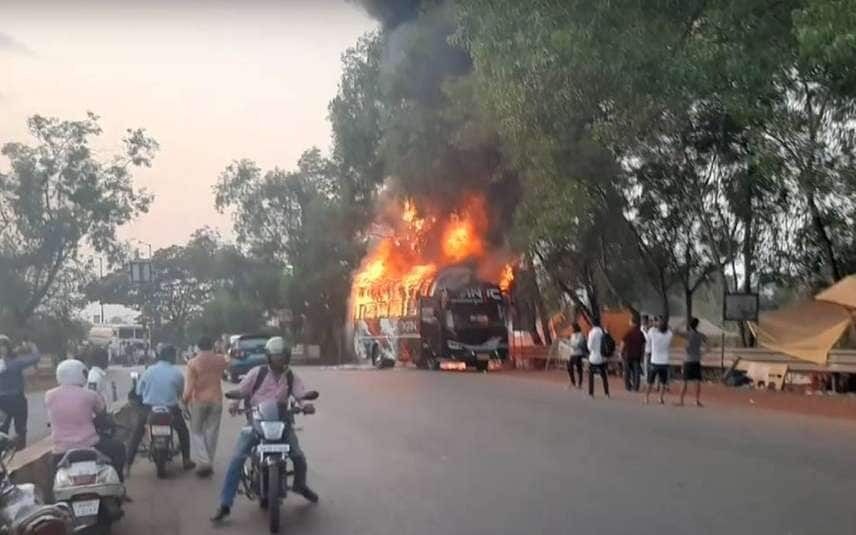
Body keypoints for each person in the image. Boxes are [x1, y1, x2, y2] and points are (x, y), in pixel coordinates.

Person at [212, 336, 318, 523]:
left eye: (283, 356)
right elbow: (241, 390)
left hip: (282, 422)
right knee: (237, 459)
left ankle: (300, 486)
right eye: (276, 356)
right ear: (269, 357)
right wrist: (234, 403)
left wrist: (306, 404)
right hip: (257, 421)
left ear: (287, 357)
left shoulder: (291, 376)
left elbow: (301, 394)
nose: (280, 360)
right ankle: (225, 505)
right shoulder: (257, 373)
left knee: (298, 457)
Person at [45, 359, 126, 482]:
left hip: (60, 450)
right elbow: (102, 414)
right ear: (80, 374)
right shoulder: (90, 395)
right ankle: (119, 484)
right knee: (119, 448)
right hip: (90, 444)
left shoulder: (49, 395)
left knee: (52, 478)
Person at [126, 345, 195, 471]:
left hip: (149, 409)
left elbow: (138, 391)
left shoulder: (149, 371)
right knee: (183, 431)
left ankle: (128, 464)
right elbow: (180, 393)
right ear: (171, 357)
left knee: (137, 432)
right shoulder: (177, 373)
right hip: (170, 409)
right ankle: (186, 460)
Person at [183, 335, 229, 478]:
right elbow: (229, 361)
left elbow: (189, 387)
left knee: (196, 431)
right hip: (216, 399)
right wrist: (222, 349)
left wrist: (185, 400)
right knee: (212, 432)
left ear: (198, 346)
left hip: (199, 401)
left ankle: (204, 462)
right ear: (212, 346)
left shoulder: (193, 363)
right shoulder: (220, 360)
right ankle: (208, 462)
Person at [0, 335, 41, 449]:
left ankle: (2, 457)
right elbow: (36, 357)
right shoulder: (16, 362)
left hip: (2, 402)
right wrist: (32, 346)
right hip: (17, 400)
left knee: (2, 430)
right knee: (21, 430)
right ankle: (21, 456)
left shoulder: (13, 362)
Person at [678, 317, 707, 407]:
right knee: (697, 381)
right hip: (696, 360)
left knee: (684, 381)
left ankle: (681, 401)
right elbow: (709, 345)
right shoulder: (701, 335)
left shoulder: (688, 334)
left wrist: (682, 322)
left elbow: (674, 331)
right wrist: (702, 353)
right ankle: (697, 400)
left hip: (688, 360)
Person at [645, 317, 673, 405]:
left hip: (654, 361)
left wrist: (655, 324)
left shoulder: (653, 333)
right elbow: (670, 329)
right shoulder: (669, 335)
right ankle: (660, 398)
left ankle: (646, 398)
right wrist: (664, 324)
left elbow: (648, 329)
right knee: (663, 382)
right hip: (664, 362)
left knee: (650, 382)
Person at [621, 313, 645, 392]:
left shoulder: (628, 332)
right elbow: (643, 344)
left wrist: (621, 352)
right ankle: (636, 387)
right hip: (637, 355)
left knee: (627, 372)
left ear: (632, 322)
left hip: (628, 355)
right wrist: (642, 354)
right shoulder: (640, 333)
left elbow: (623, 343)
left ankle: (628, 386)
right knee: (636, 372)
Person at [586, 318, 609, 398]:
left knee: (591, 375)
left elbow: (589, 347)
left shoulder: (592, 332)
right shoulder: (603, 331)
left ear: (592, 323)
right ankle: (606, 393)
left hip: (594, 357)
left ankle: (591, 393)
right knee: (604, 375)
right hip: (603, 356)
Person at [566, 323, 586, 389]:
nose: (571, 329)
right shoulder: (572, 335)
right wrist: (568, 343)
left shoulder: (580, 335)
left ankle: (579, 384)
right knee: (569, 367)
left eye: (572, 328)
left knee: (579, 368)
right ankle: (573, 382)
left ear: (575, 328)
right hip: (572, 353)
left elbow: (577, 345)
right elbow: (572, 344)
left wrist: (569, 343)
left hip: (578, 353)